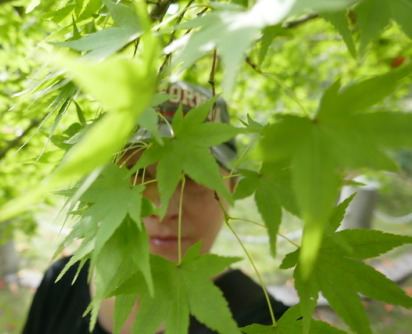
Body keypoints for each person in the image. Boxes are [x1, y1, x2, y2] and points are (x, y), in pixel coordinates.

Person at [22, 82, 289, 334]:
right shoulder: (62, 284)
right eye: (138, 174)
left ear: (231, 189)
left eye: (193, 177)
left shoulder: (272, 323)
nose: (164, 209)